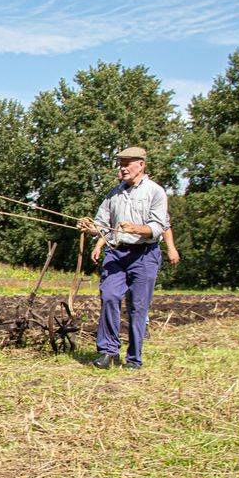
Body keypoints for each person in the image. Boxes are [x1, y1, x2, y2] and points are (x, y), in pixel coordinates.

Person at [76, 146, 169, 370]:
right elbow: (101, 225)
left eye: (127, 163)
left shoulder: (155, 192)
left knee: (138, 307)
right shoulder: (114, 194)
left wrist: (137, 228)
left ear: (141, 165)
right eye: (121, 164)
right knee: (109, 295)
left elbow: (158, 226)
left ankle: (134, 359)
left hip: (144, 255)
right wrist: (89, 227)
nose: (123, 168)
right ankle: (108, 352)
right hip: (116, 253)